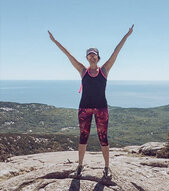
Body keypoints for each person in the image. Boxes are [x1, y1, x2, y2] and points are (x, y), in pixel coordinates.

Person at [48, 25, 134, 179]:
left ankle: (107, 167)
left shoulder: (104, 70)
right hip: (84, 108)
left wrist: (126, 36)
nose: (92, 56)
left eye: (94, 54)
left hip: (101, 108)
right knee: (83, 137)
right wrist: (55, 41)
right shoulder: (82, 71)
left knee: (103, 138)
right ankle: (80, 165)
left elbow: (116, 51)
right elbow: (68, 55)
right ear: (87, 57)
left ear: (98, 57)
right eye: (89, 55)